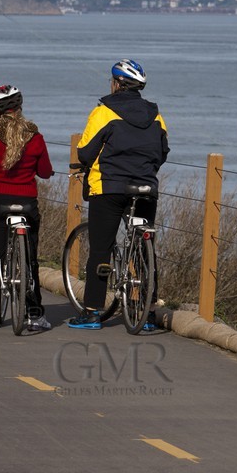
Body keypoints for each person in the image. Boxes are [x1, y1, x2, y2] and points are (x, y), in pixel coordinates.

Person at [69, 58, 168, 330]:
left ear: (116, 84)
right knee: (146, 250)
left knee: (101, 248)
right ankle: (146, 314)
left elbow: (85, 151)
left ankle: (91, 313)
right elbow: (163, 152)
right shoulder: (156, 115)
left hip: (109, 187)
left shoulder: (103, 112)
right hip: (146, 188)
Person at [0, 84, 54, 331]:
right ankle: (34, 315)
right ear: (20, 107)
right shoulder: (35, 136)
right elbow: (44, 172)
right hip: (27, 203)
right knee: (30, 260)